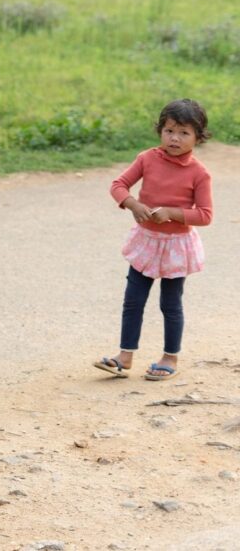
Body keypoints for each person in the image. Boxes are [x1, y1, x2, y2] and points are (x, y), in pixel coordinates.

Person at [93, 99, 213, 382]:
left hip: (176, 248)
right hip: (146, 242)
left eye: (184, 133)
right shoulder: (147, 159)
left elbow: (205, 215)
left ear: (198, 137)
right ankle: (125, 356)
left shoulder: (199, 173)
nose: (174, 138)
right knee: (132, 301)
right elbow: (118, 185)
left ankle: (170, 357)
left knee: (170, 305)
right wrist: (132, 204)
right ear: (160, 130)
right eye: (169, 130)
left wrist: (172, 213)